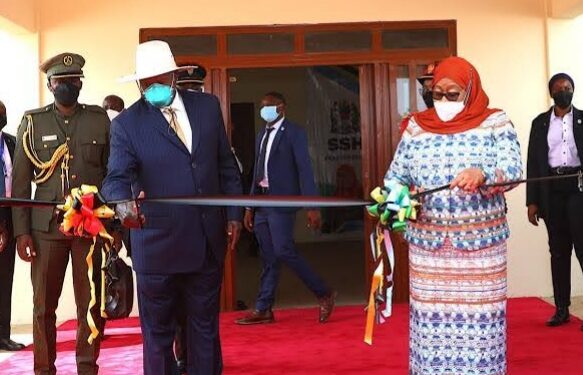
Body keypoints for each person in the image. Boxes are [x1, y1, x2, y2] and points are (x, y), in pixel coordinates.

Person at [101, 40, 243, 375]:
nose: (152, 88)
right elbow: (116, 178)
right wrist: (123, 206)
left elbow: (226, 167)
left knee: (203, 331)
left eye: (158, 80)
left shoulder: (208, 107)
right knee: (158, 336)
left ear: (174, 76)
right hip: (156, 246)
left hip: (207, 242)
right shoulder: (126, 124)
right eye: (145, 83)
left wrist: (235, 214)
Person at [384, 56, 522, 374]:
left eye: (453, 93)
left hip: (480, 249)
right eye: (438, 93)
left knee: (481, 332)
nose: (444, 100)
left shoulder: (495, 122)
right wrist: (400, 199)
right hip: (428, 249)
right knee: (431, 330)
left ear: (470, 90)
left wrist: (484, 174)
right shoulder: (416, 127)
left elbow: (514, 170)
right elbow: (394, 178)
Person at [12, 53, 112, 374]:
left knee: (90, 304)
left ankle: (87, 367)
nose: (67, 86)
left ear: (80, 83)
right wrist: (21, 231)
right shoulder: (32, 122)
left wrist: (112, 224)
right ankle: (44, 369)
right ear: (50, 85)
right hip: (45, 230)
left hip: (89, 225)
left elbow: (112, 174)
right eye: (61, 81)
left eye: (73, 80)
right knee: (43, 307)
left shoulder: (99, 119)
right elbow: (20, 182)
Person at [235, 92, 336, 325]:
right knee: (269, 256)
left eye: (268, 106)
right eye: (262, 106)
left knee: (283, 250)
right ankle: (264, 308)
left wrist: (312, 206)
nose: (265, 110)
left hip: (281, 202)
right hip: (261, 201)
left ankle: (324, 292)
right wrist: (249, 207)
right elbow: (256, 172)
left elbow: (304, 170)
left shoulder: (294, 133)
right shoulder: (261, 134)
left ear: (282, 108)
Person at [526, 73, 583, 330]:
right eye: (559, 88)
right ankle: (561, 309)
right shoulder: (540, 123)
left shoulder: (582, 119)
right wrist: (532, 201)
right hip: (551, 190)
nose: (564, 91)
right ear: (551, 93)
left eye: (568, 88)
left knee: (582, 247)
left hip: (578, 188)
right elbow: (533, 163)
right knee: (558, 251)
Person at [173, 63, 208, 374]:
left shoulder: (209, 116)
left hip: (204, 228)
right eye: (187, 89)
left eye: (196, 89)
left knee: (202, 310)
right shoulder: (152, 120)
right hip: (168, 232)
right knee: (173, 307)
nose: (192, 95)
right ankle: (180, 355)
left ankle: (204, 362)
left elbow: (225, 167)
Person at [0, 101, 24, 352]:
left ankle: (3, 335)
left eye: (3, 114)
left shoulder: (11, 142)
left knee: (5, 278)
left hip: (9, 215)